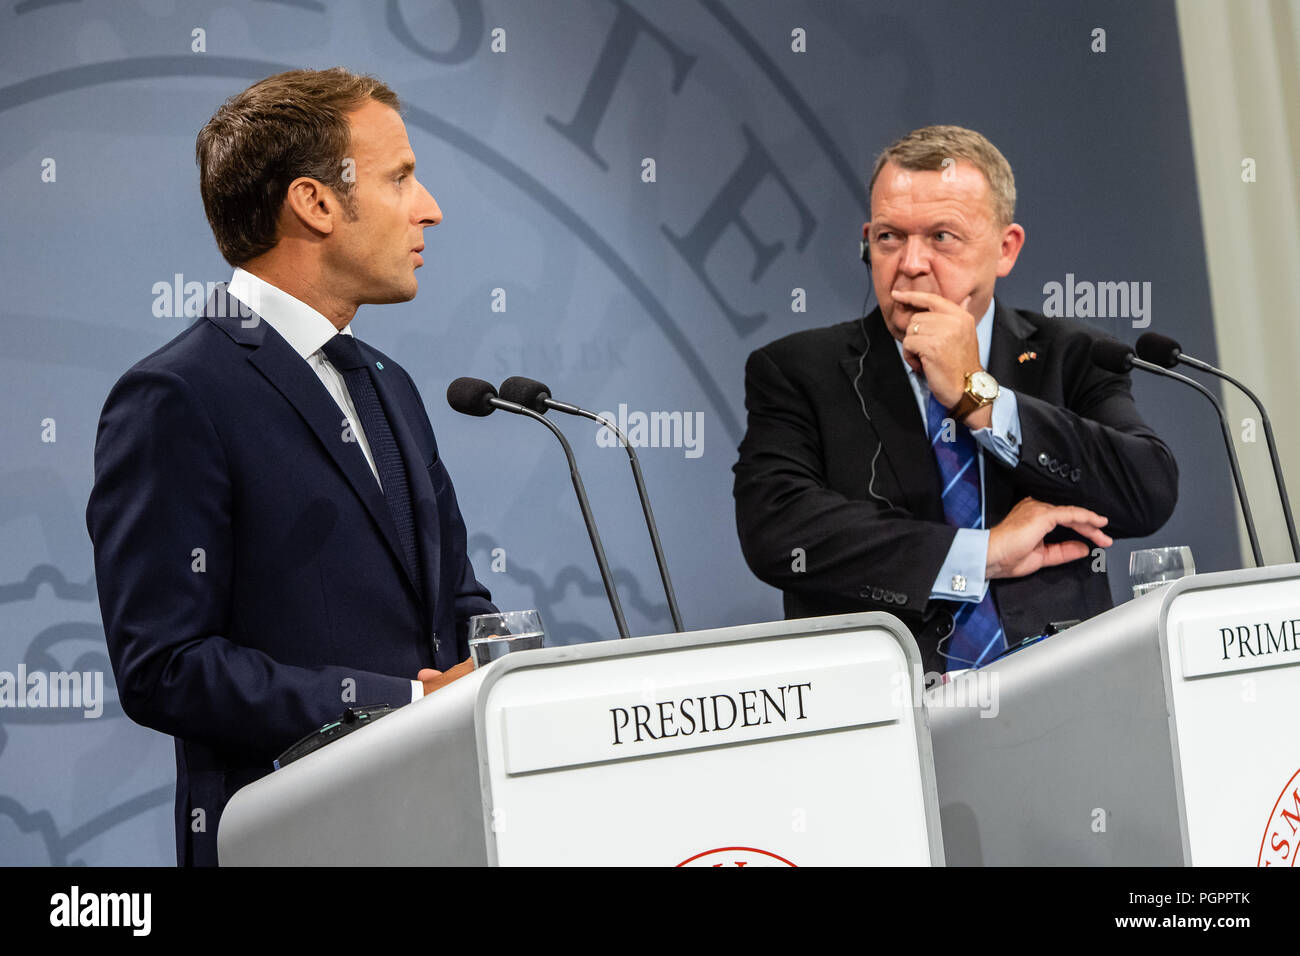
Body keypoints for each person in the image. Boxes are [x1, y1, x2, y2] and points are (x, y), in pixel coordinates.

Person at [85, 68, 497, 866]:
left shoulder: (388, 383)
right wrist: (406, 705)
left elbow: (453, 599)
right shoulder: (177, 395)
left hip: (444, 830)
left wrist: (512, 675)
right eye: (401, 178)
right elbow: (165, 667)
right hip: (296, 841)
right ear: (315, 203)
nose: (429, 208)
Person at [733, 125, 1178, 676]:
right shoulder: (799, 370)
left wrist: (978, 397)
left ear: (1005, 248)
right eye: (890, 237)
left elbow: (1147, 490)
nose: (912, 263)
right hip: (890, 715)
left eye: (942, 236)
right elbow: (779, 531)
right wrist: (982, 554)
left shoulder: (1075, 354)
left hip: (1068, 699)